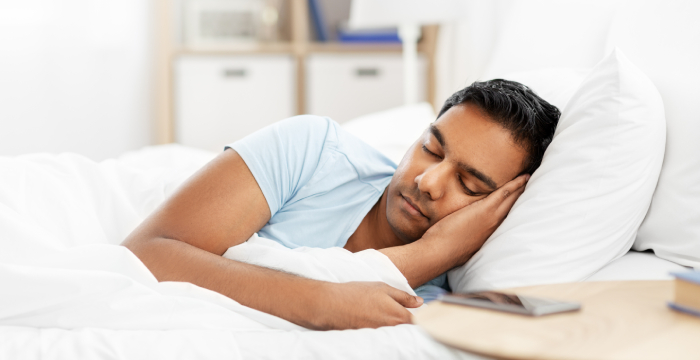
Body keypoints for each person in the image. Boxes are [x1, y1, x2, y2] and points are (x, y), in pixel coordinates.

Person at [122, 79, 560, 331]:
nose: (428, 181)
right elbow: (147, 251)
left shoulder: (440, 304)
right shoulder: (314, 152)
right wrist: (318, 301)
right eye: (430, 147)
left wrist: (437, 259)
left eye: (468, 184)